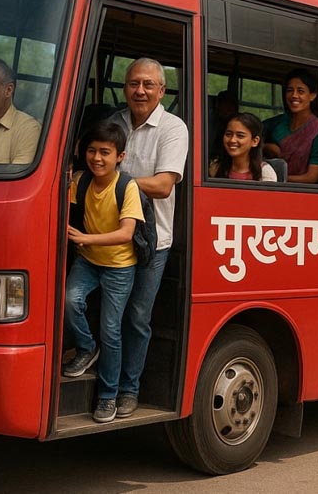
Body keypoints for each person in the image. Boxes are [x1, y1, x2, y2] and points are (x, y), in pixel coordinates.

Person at [111, 58, 188, 418]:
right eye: (132, 84)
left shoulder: (173, 128)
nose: (139, 91)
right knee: (99, 310)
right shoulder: (113, 123)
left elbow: (162, 185)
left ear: (162, 90)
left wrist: (113, 180)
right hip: (108, 235)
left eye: (147, 84)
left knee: (137, 317)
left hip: (151, 241)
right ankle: (105, 383)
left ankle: (130, 389)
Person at [63, 122, 142, 423]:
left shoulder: (127, 186)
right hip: (88, 260)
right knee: (70, 301)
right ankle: (86, 347)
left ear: (120, 156)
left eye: (105, 153)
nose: (97, 158)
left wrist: (86, 239)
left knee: (112, 331)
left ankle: (108, 397)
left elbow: (126, 233)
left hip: (119, 266)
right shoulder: (81, 181)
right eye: (92, 151)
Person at [262, 68, 318, 184]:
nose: (294, 95)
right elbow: (252, 138)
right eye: (290, 90)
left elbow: (312, 177)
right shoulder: (277, 122)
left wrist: (273, 178)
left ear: (312, 95)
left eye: (300, 91)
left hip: (300, 193)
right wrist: (267, 147)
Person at [209, 112, 277, 181]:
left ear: (255, 141)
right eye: (228, 134)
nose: (232, 140)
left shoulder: (265, 173)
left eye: (240, 136)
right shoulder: (215, 167)